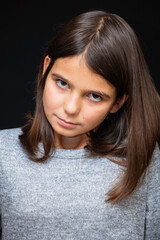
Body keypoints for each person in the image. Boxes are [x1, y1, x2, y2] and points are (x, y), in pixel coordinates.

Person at [0, 9, 160, 240]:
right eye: (62, 83)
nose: (71, 108)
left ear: (117, 102)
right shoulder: (3, 154)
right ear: (46, 68)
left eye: (95, 96)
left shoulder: (142, 156)